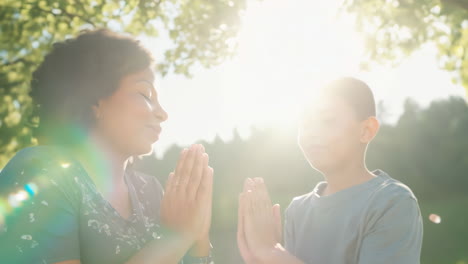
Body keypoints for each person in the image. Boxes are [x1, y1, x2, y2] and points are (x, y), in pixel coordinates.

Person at [0, 29, 213, 264]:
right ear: (94, 100)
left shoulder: (151, 192)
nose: (163, 113)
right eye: (145, 94)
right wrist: (175, 238)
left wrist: (199, 240)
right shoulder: (39, 171)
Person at [237, 77, 424, 264]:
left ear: (366, 130)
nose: (311, 132)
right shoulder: (297, 210)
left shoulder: (391, 201)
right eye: (305, 124)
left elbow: (274, 254)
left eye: (327, 121)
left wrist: (272, 253)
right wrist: (261, 258)